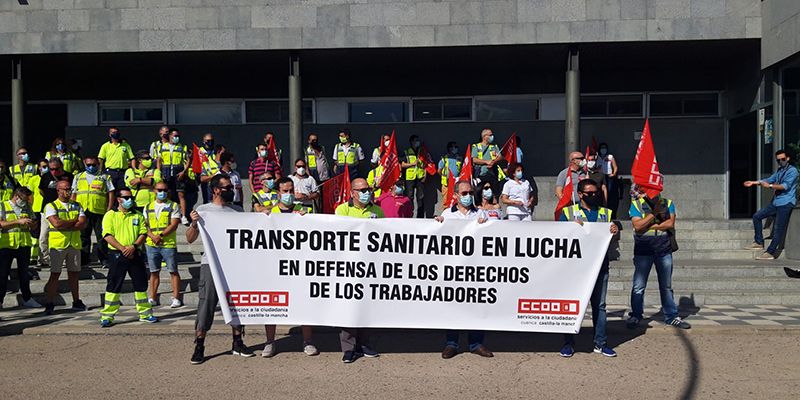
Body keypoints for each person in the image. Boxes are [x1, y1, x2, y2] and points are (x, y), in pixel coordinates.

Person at [188, 174, 255, 364]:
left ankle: (237, 341)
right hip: (210, 264)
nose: (231, 190)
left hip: (233, 265)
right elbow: (190, 238)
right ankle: (199, 344)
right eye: (226, 187)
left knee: (236, 304)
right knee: (206, 304)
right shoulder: (203, 210)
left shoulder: (237, 211)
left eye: (231, 186)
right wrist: (194, 222)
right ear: (216, 189)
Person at [558, 179, 618, 358]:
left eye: (596, 192)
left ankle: (601, 342)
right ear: (580, 194)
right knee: (571, 306)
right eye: (589, 193)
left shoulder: (605, 213)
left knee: (599, 306)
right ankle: (568, 343)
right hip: (574, 269)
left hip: (599, 267)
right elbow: (558, 236)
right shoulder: (569, 212)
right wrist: (570, 228)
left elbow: (612, 238)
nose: (594, 196)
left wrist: (615, 231)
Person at [434, 180, 493, 359]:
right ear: (456, 195)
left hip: (476, 269)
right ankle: (451, 343)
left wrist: (487, 225)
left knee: (477, 306)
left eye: (470, 193)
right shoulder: (447, 214)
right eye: (464, 193)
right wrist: (438, 224)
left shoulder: (481, 214)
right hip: (454, 269)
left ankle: (476, 344)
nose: (468, 196)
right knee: (453, 307)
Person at [261, 177, 317, 357]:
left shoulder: (304, 211)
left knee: (304, 303)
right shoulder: (270, 214)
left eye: (291, 191)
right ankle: (270, 342)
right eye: (285, 191)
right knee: (272, 304)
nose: (288, 194)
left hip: (299, 266)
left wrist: (306, 220)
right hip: (275, 266)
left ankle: (307, 341)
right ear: (278, 193)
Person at [626, 185, 690, 330]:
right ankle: (635, 315)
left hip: (663, 249)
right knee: (638, 286)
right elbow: (637, 226)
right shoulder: (637, 204)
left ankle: (671, 316)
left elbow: (670, 223)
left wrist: (648, 226)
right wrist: (653, 215)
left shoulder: (667, 203)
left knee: (666, 286)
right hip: (644, 249)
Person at [335, 178, 383, 363]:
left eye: (368, 189)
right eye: (362, 189)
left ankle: (364, 344)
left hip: (370, 266)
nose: (366, 192)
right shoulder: (342, 210)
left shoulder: (377, 211)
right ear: (352, 192)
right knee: (348, 307)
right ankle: (348, 348)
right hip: (347, 266)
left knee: (366, 308)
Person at [99, 187, 158, 327]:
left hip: (135, 253)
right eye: (126, 198)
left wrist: (134, 246)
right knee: (114, 284)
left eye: (131, 197)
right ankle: (107, 316)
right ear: (119, 199)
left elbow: (143, 233)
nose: (129, 200)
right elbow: (107, 235)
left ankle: (145, 314)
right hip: (117, 254)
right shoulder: (110, 215)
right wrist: (123, 248)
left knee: (141, 284)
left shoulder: (137, 215)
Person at [42, 180, 87, 315]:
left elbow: (83, 224)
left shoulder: (77, 205)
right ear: (58, 191)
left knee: (74, 274)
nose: (68, 191)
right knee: (55, 275)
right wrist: (74, 221)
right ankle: (49, 303)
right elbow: (57, 224)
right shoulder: (51, 206)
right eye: (65, 189)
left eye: (69, 189)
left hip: (74, 244)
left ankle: (76, 301)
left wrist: (69, 223)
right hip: (58, 245)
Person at [744, 149, 799, 260]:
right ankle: (759, 242)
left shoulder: (792, 171)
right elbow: (769, 179)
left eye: (782, 159)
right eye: (778, 160)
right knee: (757, 216)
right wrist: (754, 182)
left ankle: (770, 252)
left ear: (787, 159)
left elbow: (784, 186)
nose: (780, 162)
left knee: (778, 228)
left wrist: (769, 186)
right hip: (776, 202)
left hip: (786, 203)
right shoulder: (780, 170)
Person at [0, 187, 41, 309]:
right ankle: (0, 301)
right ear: (16, 197)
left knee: (24, 273)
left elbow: (34, 225)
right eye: (23, 199)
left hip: (23, 244)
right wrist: (18, 221)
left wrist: (33, 224)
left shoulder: (27, 207)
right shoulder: (3, 206)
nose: (25, 202)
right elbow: (1, 224)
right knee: (2, 274)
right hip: (6, 245)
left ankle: (27, 298)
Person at [144, 181, 182, 308]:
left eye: (165, 190)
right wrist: (152, 237)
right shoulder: (148, 206)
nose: (162, 192)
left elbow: (174, 223)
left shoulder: (174, 205)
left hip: (168, 244)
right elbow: (145, 225)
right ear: (154, 191)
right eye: (160, 190)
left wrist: (160, 236)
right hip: (151, 243)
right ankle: (152, 297)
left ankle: (176, 297)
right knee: (154, 272)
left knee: (173, 271)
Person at [72, 156, 113, 267]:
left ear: (98, 164)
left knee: (101, 236)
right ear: (85, 164)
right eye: (89, 165)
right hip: (83, 210)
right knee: (84, 236)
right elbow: (74, 194)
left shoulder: (104, 177)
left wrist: (109, 209)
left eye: (94, 165)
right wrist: (72, 209)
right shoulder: (78, 176)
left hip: (99, 210)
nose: (91, 167)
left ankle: (104, 259)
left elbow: (111, 193)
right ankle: (84, 259)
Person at [40, 159, 75, 267]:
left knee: (63, 233)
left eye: (56, 169)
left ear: (61, 166)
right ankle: (44, 259)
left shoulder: (69, 176)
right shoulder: (46, 176)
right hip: (47, 208)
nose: (54, 171)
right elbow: (41, 190)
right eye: (51, 169)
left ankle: (64, 259)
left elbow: (73, 191)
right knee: (43, 235)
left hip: (63, 208)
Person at [155, 129, 190, 218]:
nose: (176, 138)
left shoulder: (183, 147)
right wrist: (159, 172)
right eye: (175, 136)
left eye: (178, 136)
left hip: (178, 171)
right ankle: (169, 215)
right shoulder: (162, 147)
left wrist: (184, 172)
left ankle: (184, 216)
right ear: (170, 136)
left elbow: (188, 160)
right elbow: (159, 160)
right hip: (166, 172)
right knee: (167, 194)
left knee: (181, 194)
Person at [471, 129, 504, 194]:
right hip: (480, 173)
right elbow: (474, 159)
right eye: (490, 135)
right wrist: (486, 162)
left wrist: (493, 162)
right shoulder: (476, 146)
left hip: (493, 173)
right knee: (479, 192)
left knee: (495, 191)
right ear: (484, 136)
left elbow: (500, 157)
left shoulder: (494, 146)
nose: (492, 136)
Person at [401, 135, 426, 218]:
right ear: (411, 142)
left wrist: (425, 175)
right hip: (409, 178)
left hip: (420, 177)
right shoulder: (407, 152)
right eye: (416, 140)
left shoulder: (422, 151)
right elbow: (402, 165)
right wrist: (412, 164)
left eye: (418, 140)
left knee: (421, 198)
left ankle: (420, 217)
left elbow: (426, 164)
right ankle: (409, 216)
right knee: (409, 197)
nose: (417, 142)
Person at [438, 141, 463, 210]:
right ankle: (445, 215)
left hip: (456, 183)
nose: (455, 148)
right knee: (446, 201)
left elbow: (461, 169)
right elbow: (439, 170)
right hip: (446, 183)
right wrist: (444, 177)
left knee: (456, 200)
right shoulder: (444, 159)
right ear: (449, 148)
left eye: (456, 147)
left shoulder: (459, 158)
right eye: (453, 147)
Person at [598, 143, 620, 216]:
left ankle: (609, 208)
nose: (603, 149)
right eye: (602, 148)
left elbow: (615, 166)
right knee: (601, 192)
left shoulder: (610, 157)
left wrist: (613, 174)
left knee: (609, 192)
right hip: (601, 176)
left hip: (609, 176)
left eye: (605, 148)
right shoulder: (597, 157)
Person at [199, 133, 219, 203]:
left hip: (217, 180)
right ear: (204, 141)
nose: (210, 142)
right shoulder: (200, 152)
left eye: (212, 140)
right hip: (206, 180)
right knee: (207, 201)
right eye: (208, 140)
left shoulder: (216, 151)